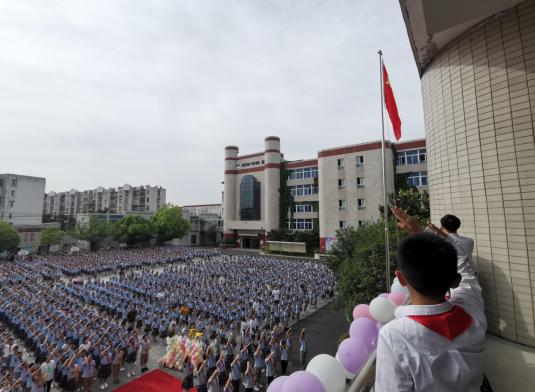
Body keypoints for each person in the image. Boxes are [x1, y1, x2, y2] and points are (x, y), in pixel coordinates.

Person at [375, 208, 486, 391]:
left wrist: (424, 235)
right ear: (454, 279)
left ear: (401, 278)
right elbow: (464, 266)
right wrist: (425, 236)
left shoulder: (395, 336)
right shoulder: (472, 311)